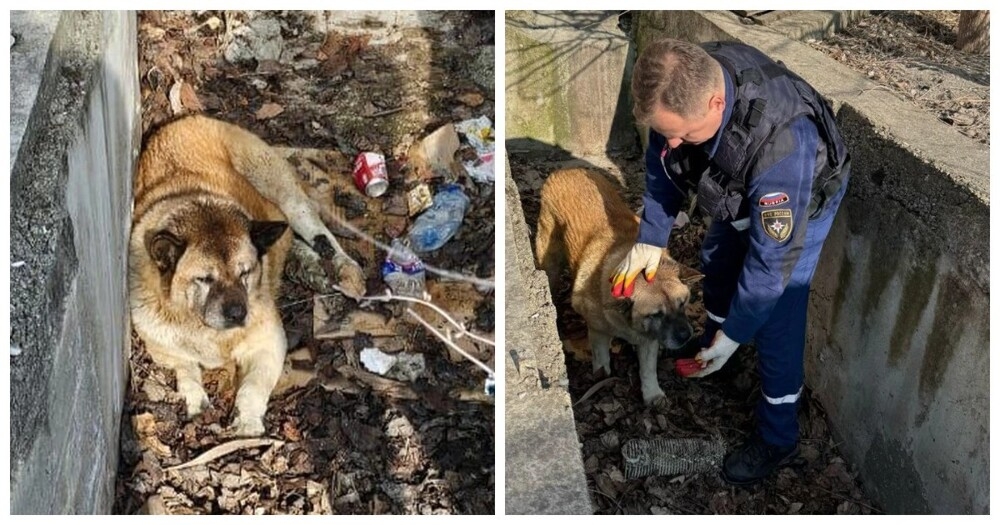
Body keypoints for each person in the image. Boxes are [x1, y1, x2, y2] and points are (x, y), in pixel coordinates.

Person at [611, 37, 851, 485]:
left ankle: (778, 437)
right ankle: (715, 348)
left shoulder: (784, 144)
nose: (673, 141)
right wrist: (648, 243)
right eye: (665, 133)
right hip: (736, 185)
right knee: (717, 258)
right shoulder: (678, 86)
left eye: (681, 133)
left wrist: (738, 333)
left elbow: (769, 264)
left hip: (799, 201)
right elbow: (663, 173)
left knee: (777, 316)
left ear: (716, 102)